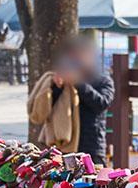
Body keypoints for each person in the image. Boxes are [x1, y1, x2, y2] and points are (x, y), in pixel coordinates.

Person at [29, 35, 114, 164]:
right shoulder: (63, 79)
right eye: (74, 56)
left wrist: (79, 83)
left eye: (82, 54)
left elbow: (101, 104)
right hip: (64, 145)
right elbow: (49, 108)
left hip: (91, 147)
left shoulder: (102, 80)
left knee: (92, 181)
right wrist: (56, 87)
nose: (78, 59)